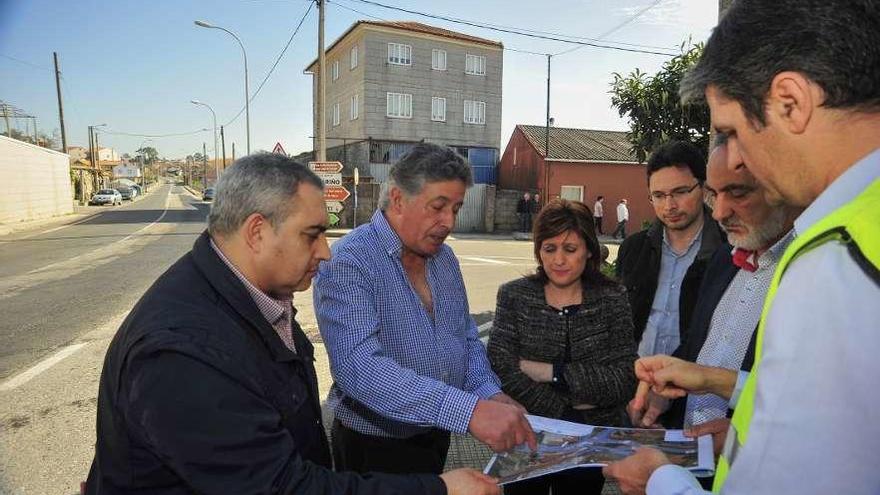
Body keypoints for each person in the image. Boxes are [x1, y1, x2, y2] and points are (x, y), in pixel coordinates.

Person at [85, 153, 499, 495]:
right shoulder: (185, 350)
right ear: (257, 232)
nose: (326, 253)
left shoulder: (248, 295)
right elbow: (281, 486)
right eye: (312, 235)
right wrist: (440, 491)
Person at [604, 1, 880, 493]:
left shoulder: (835, 260)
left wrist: (660, 479)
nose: (734, 158)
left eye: (730, 131)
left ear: (790, 102)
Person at [313, 143, 536, 476]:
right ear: (399, 200)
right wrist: (468, 412)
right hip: (373, 450)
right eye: (438, 206)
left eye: (456, 209)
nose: (448, 222)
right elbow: (358, 368)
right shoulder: (349, 262)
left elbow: (465, 339)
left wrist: (490, 395)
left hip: (435, 436)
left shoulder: (445, 260)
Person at [627, 141, 801, 483]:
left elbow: (808, 398)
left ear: (781, 189)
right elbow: (696, 342)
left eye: (737, 193)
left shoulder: (809, 270)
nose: (720, 212)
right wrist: (665, 392)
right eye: (716, 195)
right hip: (686, 451)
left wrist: (741, 433)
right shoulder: (726, 258)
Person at [487, 199, 638, 495]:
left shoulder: (612, 299)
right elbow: (501, 367)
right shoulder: (515, 296)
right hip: (526, 438)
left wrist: (551, 373)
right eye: (549, 248)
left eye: (570, 249)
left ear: (589, 251)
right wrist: (567, 411)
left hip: (589, 445)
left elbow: (624, 378)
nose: (558, 260)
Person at [616, 141, 725, 363]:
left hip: (693, 390)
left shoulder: (726, 255)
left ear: (703, 189)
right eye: (658, 195)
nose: (669, 206)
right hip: (634, 384)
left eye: (680, 192)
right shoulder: (633, 250)